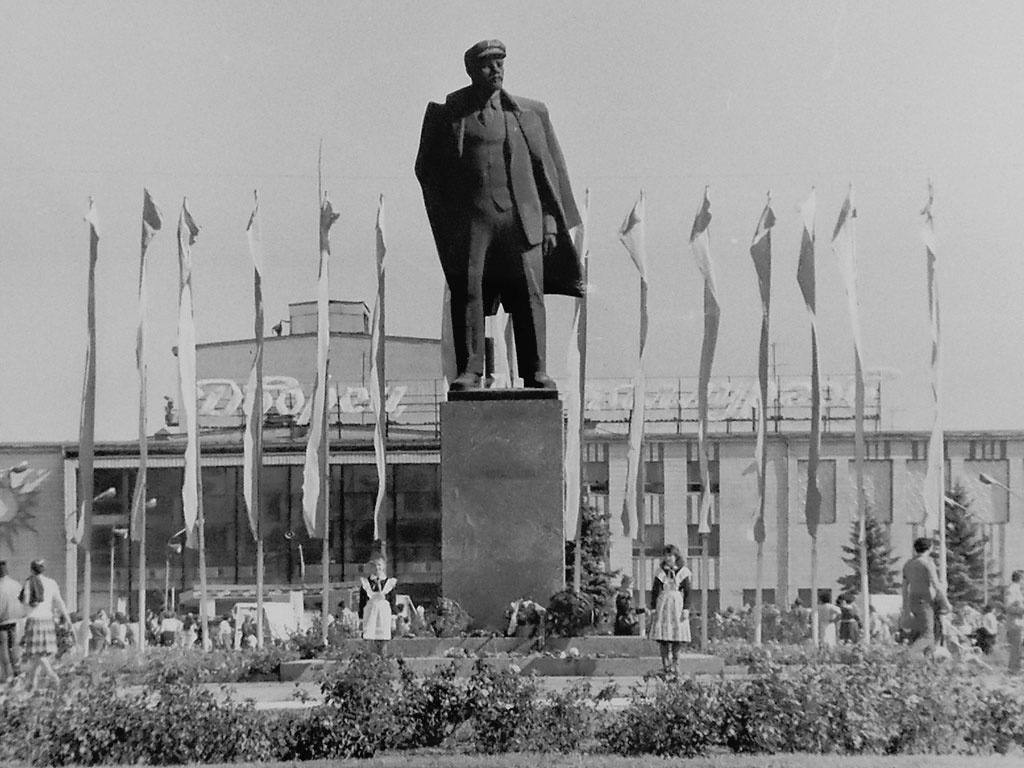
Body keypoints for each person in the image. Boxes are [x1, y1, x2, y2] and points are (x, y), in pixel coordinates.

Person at [415, 39, 583, 391]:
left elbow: (548, 172)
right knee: (468, 292)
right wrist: (451, 217)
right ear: (472, 71)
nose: (496, 71)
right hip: (474, 222)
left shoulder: (527, 115)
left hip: (522, 221)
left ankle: (535, 371)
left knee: (529, 294)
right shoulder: (451, 115)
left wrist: (552, 221)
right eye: (488, 65)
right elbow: (426, 168)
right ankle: (470, 371)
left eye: (500, 64)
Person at [19, 559, 70, 691]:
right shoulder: (51, 583)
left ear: (31, 569)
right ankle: (31, 683)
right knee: (41, 654)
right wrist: (67, 618)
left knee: (37, 654)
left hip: (34, 619)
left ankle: (52, 676)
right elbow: (59, 602)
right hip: (48, 619)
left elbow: (25, 601)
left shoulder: (29, 582)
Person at [649, 544, 691, 676]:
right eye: (666, 556)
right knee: (664, 637)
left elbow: (688, 592)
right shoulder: (660, 572)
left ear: (676, 556)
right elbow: (655, 591)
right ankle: (666, 666)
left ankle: (676, 665)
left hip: (677, 603)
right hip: (664, 604)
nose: (668, 558)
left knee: (677, 636)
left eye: (670, 555)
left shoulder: (683, 572)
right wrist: (654, 608)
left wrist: (686, 608)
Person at [901, 536, 945, 653]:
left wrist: (906, 608)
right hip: (926, 600)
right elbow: (935, 583)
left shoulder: (908, 564)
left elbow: (905, 588)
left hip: (913, 600)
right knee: (928, 635)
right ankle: (906, 655)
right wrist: (946, 602)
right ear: (929, 548)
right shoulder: (927, 562)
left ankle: (930, 662)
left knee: (930, 634)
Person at [359, 555, 397, 656]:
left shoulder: (389, 583)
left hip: (384, 615)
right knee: (369, 643)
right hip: (370, 615)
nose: (377, 568)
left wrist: (393, 620)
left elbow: (393, 601)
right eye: (374, 565)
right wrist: (360, 619)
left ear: (384, 566)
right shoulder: (366, 584)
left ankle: (383, 665)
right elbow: (362, 602)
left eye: (379, 565)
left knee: (383, 644)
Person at [0, 560, 25, 683]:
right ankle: (17, 672)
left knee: (3, 648)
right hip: (15, 620)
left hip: (2, 622)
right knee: (14, 647)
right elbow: (23, 602)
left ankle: (7, 676)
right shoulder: (16, 584)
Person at [1005, 570, 1024, 672]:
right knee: (1016, 646)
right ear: (1020, 578)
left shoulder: (1017, 590)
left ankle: (1017, 667)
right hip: (1014, 622)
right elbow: (1008, 606)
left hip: (1018, 622)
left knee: (1019, 646)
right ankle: (1014, 668)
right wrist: (1021, 610)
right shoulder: (1012, 589)